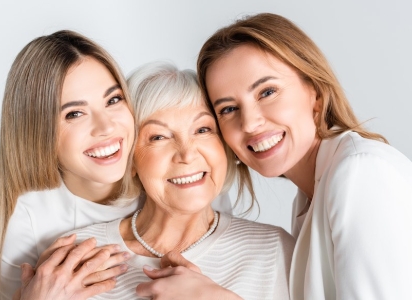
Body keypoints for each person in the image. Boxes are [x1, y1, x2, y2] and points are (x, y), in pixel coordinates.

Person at [138, 13, 412, 299]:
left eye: (267, 92)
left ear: (315, 93)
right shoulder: (311, 196)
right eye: (229, 109)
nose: (250, 123)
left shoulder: (361, 172)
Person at [0, 30, 234, 300]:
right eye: (74, 113)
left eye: (113, 100)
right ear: (38, 133)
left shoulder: (178, 177)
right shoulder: (30, 221)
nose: (106, 127)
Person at [63, 62, 295, 299]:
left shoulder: (275, 250)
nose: (187, 154)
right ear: (130, 159)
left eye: (202, 130)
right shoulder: (77, 257)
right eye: (159, 137)